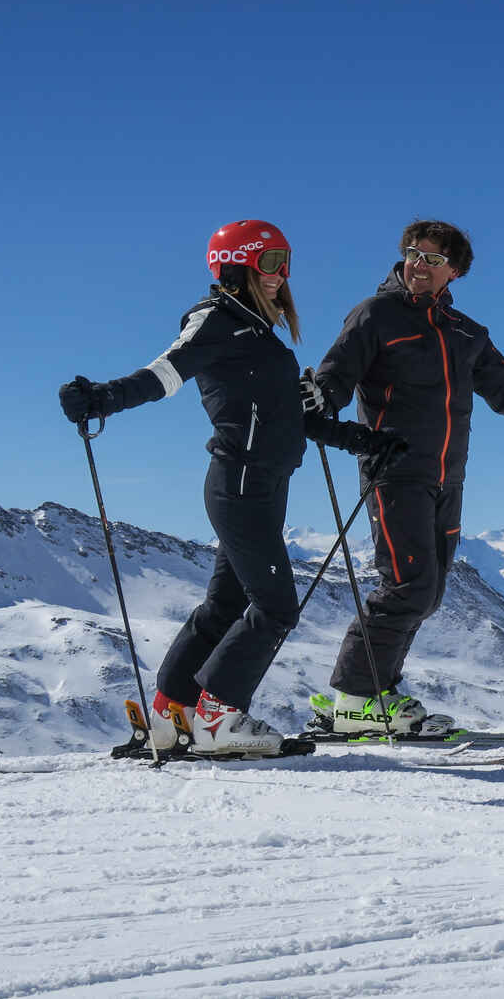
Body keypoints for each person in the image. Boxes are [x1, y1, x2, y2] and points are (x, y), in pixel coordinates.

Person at [57, 220, 402, 756]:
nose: (279, 275)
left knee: (225, 605)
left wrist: (362, 439)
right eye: (268, 262)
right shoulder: (215, 321)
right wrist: (102, 397)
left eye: (284, 262)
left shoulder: (259, 334)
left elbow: (293, 416)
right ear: (236, 266)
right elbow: (165, 374)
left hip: (262, 485)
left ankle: (173, 714)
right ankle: (219, 719)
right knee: (275, 606)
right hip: (241, 485)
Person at [310, 220, 504, 733]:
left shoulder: (466, 334)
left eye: (432, 259)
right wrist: (320, 396)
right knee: (407, 585)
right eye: (413, 253)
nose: (419, 265)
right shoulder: (375, 316)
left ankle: (376, 695)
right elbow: (335, 379)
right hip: (394, 473)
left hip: (447, 479)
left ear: (455, 271)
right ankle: (352, 701)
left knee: (428, 593)